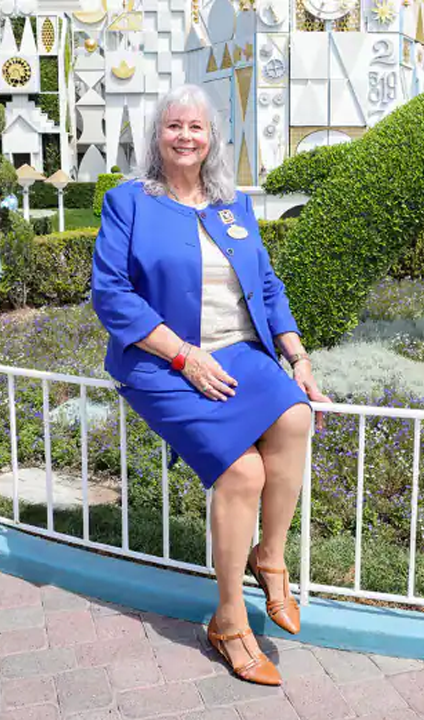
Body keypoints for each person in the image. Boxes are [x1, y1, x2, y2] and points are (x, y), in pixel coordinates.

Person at [91, 84, 331, 686]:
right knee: (243, 472)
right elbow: (111, 294)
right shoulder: (130, 203)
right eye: (174, 126)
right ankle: (228, 620)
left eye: (196, 127)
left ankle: (269, 558)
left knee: (297, 415)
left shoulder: (233, 205)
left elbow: (267, 286)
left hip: (240, 351)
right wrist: (184, 356)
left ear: (211, 138)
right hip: (162, 358)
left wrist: (296, 357)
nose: (185, 137)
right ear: (157, 135)